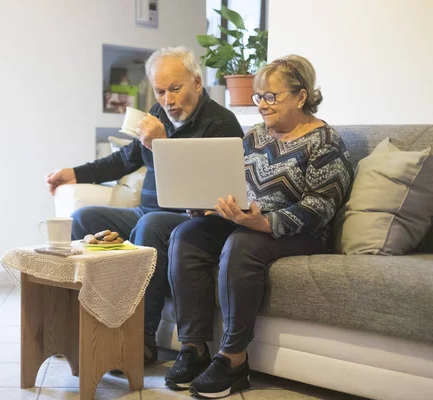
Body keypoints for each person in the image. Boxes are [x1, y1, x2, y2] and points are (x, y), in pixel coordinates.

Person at [164, 55, 354, 398]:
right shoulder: (254, 136)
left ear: (301, 96)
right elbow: (236, 185)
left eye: (271, 97)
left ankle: (234, 360)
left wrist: (265, 222)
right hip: (247, 220)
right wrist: (214, 204)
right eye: (258, 97)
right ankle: (193, 348)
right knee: (186, 236)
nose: (262, 106)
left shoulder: (325, 141)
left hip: (301, 232)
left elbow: (320, 208)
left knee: (243, 244)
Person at [45, 46, 244, 365]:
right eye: (160, 91)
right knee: (83, 218)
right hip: (146, 212)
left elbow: (213, 191)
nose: (168, 100)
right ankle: (87, 326)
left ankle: (140, 339)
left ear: (196, 82)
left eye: (175, 89)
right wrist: (75, 173)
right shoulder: (158, 113)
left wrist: (163, 142)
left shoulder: (221, 124)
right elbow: (125, 159)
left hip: (187, 221)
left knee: (149, 226)